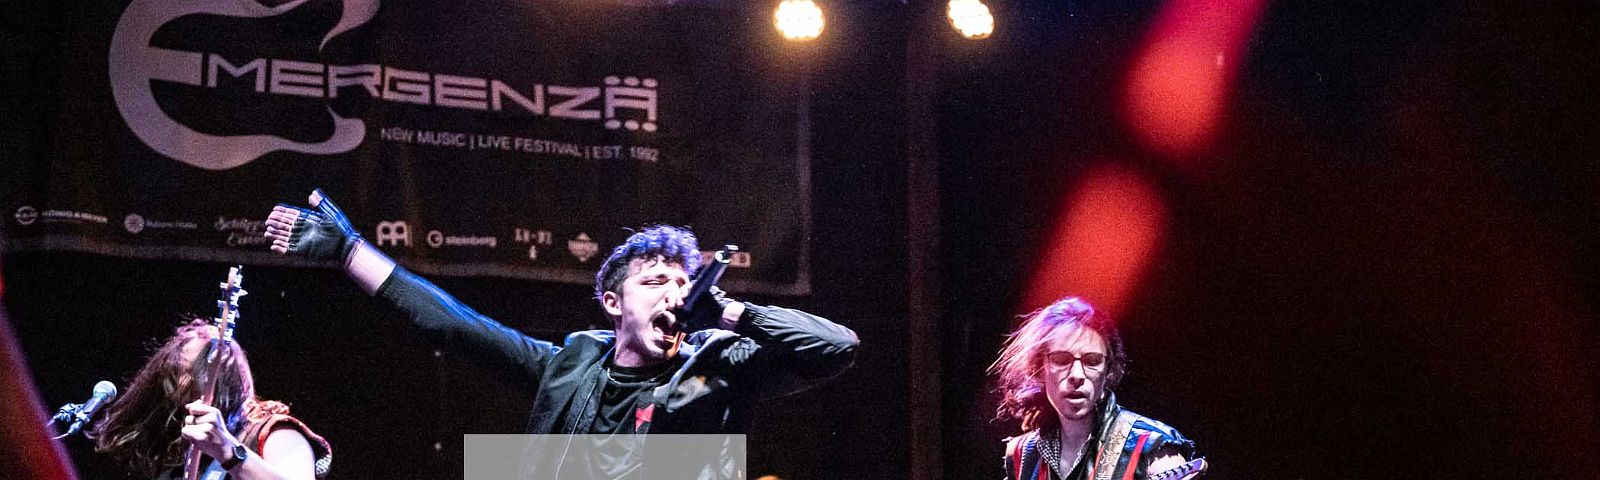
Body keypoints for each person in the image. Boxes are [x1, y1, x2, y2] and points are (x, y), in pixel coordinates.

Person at [263, 189, 859, 478]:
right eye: (655, 282)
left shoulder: (719, 368)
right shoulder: (569, 366)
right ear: (613, 303)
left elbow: (837, 348)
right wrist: (349, 251)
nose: (674, 294)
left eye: (683, 284)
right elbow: (454, 322)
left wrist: (728, 311)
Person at [91, 318, 332, 480]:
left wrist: (229, 452)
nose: (173, 388)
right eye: (171, 376)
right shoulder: (187, 455)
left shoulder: (274, 431)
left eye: (182, 373)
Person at [990, 296, 1199, 480]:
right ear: (1038, 368)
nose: (1077, 375)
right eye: (1061, 360)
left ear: (1109, 370)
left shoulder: (1154, 449)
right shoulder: (1023, 455)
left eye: (1092, 361)